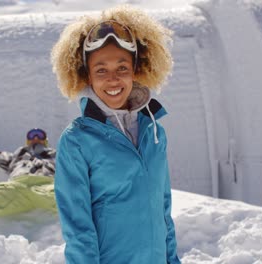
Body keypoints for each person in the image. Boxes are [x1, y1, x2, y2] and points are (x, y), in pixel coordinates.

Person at [50, 5, 180, 263]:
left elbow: (163, 208)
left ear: (135, 68)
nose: (113, 80)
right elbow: (78, 228)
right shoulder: (77, 141)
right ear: (86, 75)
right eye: (101, 70)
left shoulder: (154, 131)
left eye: (122, 68)